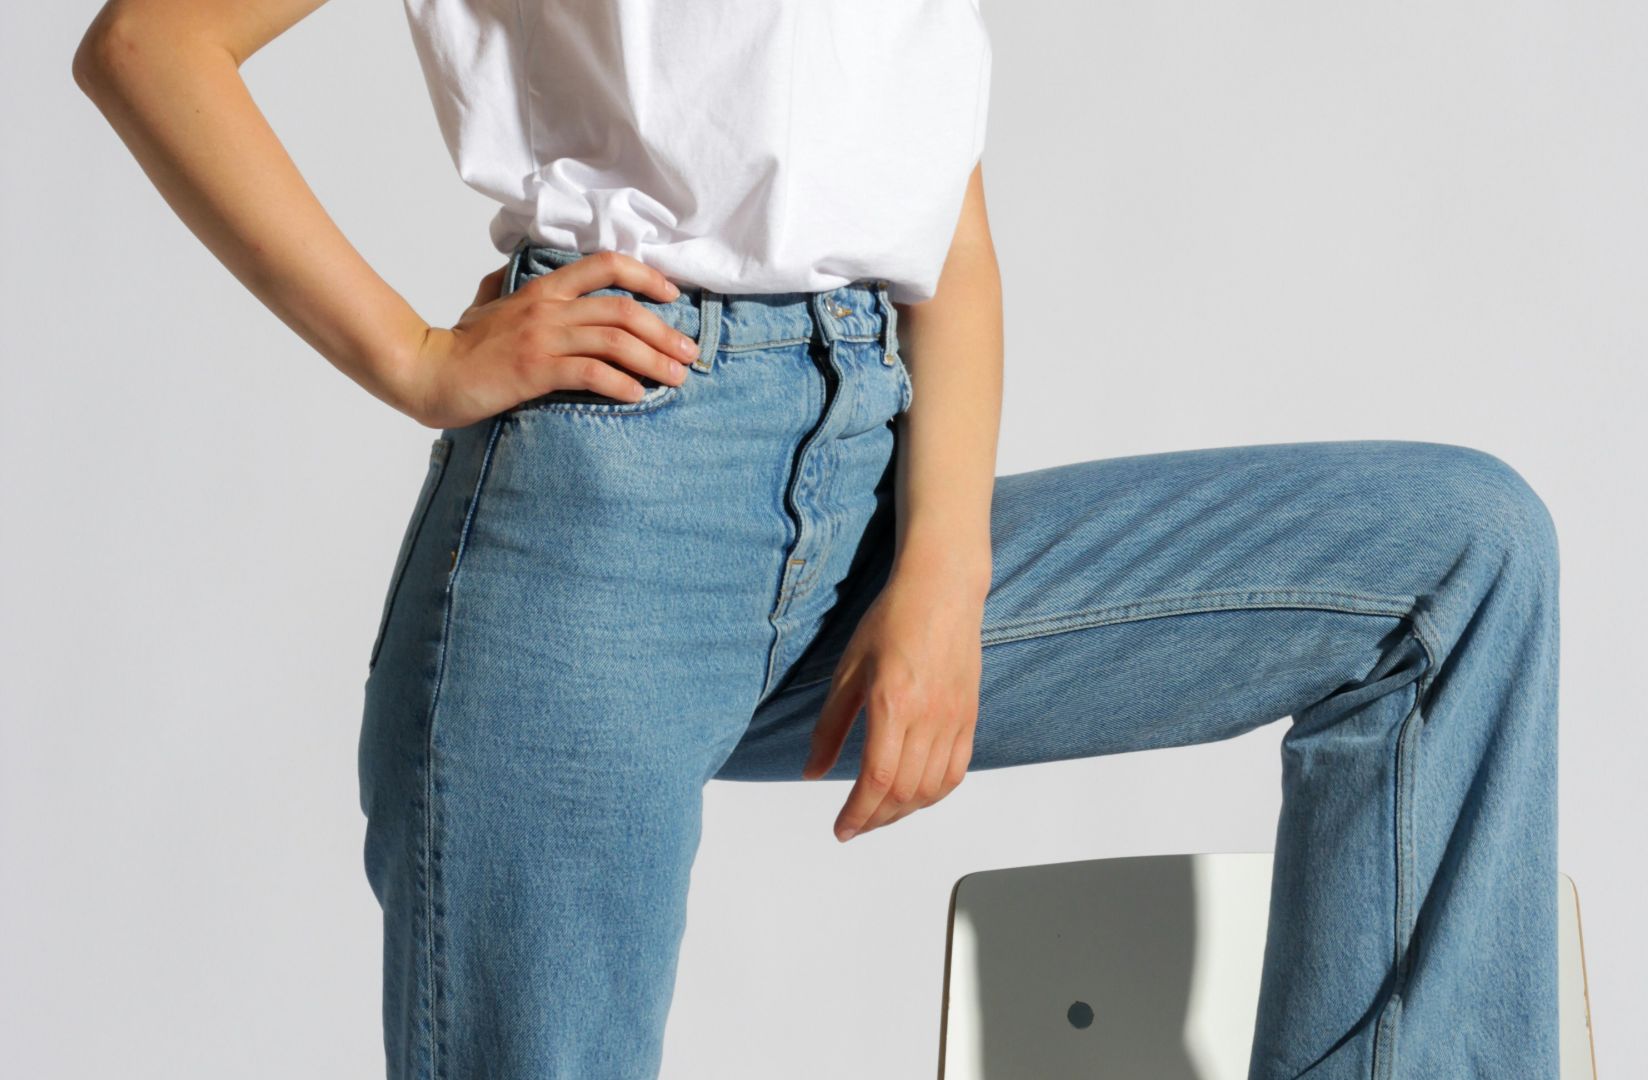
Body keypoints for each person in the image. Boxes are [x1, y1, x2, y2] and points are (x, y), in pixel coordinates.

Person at [73, 1, 1561, 1077]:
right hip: (607, 517)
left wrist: (942, 576)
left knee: (1452, 564)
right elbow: (150, 44)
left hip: (873, 487)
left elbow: (944, 233)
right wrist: (413, 356)